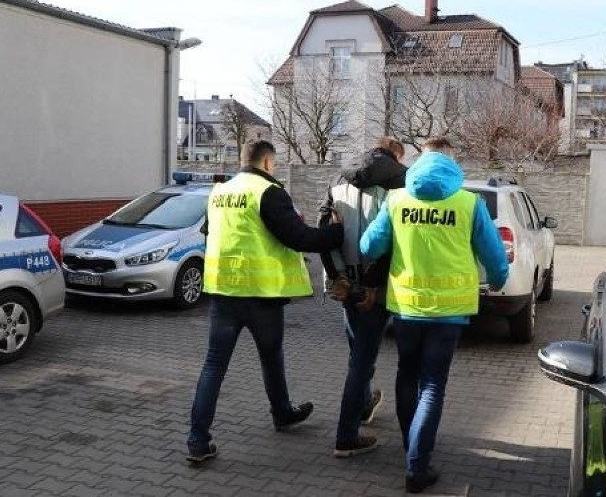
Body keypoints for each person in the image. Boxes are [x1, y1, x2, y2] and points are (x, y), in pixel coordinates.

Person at [360, 141, 508, 493]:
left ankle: (412, 444)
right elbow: (494, 256)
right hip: (449, 313)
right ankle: (417, 465)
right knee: (432, 386)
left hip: (407, 309)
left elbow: (369, 246)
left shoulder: (397, 200)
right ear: (450, 163)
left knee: (406, 375)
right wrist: (498, 281)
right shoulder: (469, 203)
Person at [186, 140, 344, 464]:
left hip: (223, 292)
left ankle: (197, 441)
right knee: (271, 358)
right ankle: (282, 413)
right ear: (269, 163)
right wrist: (338, 234)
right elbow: (299, 237)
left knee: (214, 365)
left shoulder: (219, 193)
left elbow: (210, 234)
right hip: (261, 296)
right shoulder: (267, 192)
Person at [319, 137, 407, 458]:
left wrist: (340, 276)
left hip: (344, 284)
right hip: (376, 289)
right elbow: (393, 239)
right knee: (361, 360)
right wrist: (369, 284)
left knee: (358, 349)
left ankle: (364, 406)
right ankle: (346, 436)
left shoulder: (338, 178)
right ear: (395, 155)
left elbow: (324, 231)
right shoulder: (401, 180)